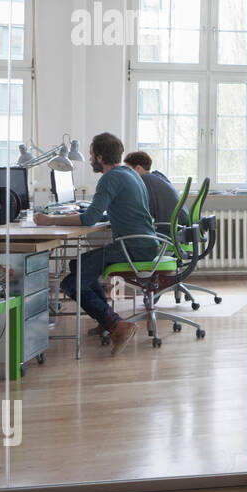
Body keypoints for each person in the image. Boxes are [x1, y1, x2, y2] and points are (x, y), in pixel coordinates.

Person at [34, 132, 157, 355]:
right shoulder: (129, 173)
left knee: (71, 283)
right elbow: (107, 211)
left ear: (100, 157)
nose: (90, 160)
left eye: (91, 155)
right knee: (77, 264)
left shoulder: (110, 179)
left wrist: (50, 220)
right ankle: (107, 321)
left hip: (133, 247)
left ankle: (117, 325)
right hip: (144, 243)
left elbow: (89, 219)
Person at [124, 151, 189, 227]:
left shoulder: (144, 180)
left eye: (128, 169)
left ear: (138, 168)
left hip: (171, 227)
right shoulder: (158, 176)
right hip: (180, 224)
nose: (127, 173)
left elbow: (141, 210)